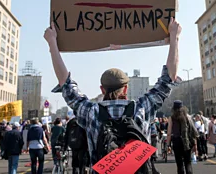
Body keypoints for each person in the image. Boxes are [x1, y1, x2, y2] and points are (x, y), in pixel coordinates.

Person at [45, 18, 182, 170]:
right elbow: (169, 78)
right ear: (125, 89)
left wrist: (52, 42)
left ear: (102, 89)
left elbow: (66, 83)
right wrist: (174, 36)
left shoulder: (91, 112)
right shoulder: (141, 108)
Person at [166, 100, 198, 174]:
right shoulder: (188, 117)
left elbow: (169, 133)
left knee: (179, 164)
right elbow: (193, 132)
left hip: (177, 141)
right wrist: (195, 144)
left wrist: (168, 145)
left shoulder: (172, 118)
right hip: (187, 141)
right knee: (188, 163)